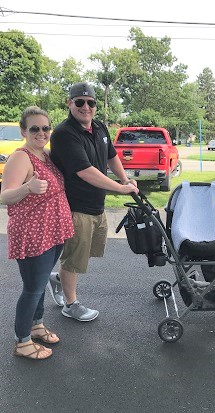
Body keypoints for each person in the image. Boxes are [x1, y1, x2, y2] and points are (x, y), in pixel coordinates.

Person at [47, 82, 139, 322]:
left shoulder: (99, 128)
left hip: (96, 204)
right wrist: (120, 189)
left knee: (83, 254)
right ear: (70, 103)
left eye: (90, 102)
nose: (85, 107)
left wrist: (125, 179)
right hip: (76, 206)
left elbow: (111, 156)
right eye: (79, 102)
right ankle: (71, 304)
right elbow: (85, 171)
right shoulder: (64, 133)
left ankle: (58, 279)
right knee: (75, 256)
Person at [0, 106, 74, 360]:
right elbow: (4, 196)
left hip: (52, 232)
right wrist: (28, 188)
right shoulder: (21, 157)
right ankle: (22, 342)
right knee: (32, 288)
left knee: (40, 284)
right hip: (32, 234)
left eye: (45, 128)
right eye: (35, 128)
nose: (41, 133)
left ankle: (37, 324)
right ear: (24, 131)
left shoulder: (45, 155)